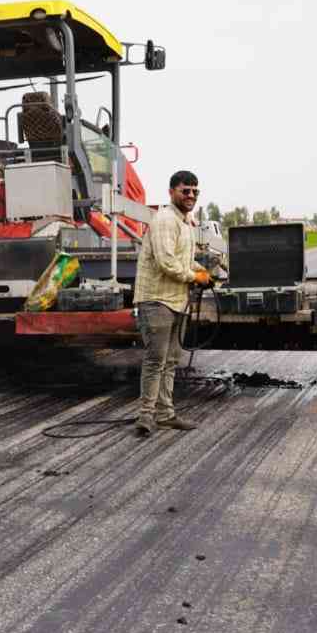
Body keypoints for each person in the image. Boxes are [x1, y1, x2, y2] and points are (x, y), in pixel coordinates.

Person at [132, 170, 209, 437]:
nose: (190, 195)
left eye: (195, 191)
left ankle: (165, 414)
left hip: (176, 301)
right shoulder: (165, 219)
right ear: (171, 192)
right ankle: (146, 416)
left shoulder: (185, 222)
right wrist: (194, 276)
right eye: (185, 190)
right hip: (156, 301)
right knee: (156, 360)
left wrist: (205, 271)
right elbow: (166, 262)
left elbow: (184, 260)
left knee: (172, 360)